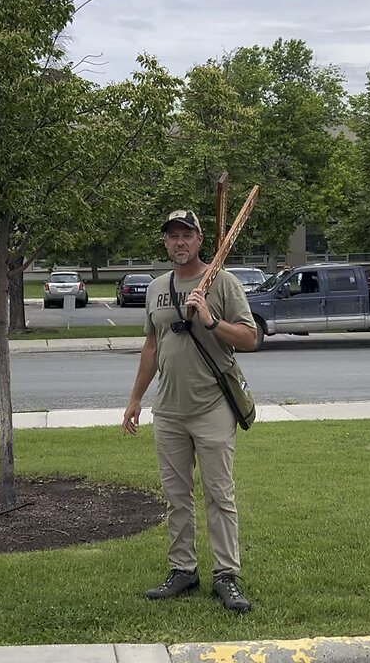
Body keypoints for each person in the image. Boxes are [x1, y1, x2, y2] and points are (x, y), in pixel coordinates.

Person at [122, 209, 259, 613]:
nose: (179, 242)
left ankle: (226, 576)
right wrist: (135, 399)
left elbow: (251, 338)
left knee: (220, 495)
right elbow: (152, 346)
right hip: (169, 411)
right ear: (165, 242)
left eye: (187, 235)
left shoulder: (223, 283)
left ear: (200, 240)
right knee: (176, 497)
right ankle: (183, 570)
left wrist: (212, 321)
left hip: (212, 407)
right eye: (172, 236)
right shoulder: (155, 289)